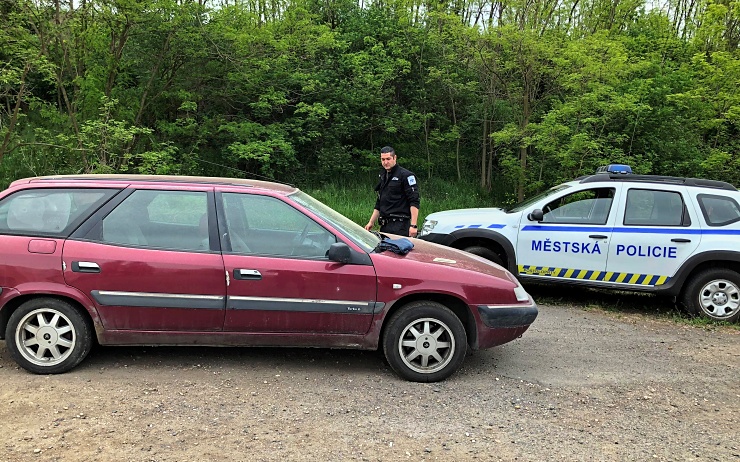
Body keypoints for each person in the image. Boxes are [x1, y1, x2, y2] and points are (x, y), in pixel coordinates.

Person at [365, 146, 420, 237]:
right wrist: (371, 222)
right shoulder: (383, 176)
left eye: (388, 159)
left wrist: (413, 225)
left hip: (400, 225)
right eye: (383, 159)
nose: (385, 162)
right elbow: (379, 202)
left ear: (395, 158)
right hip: (384, 225)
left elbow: (414, 201)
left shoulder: (406, 175)